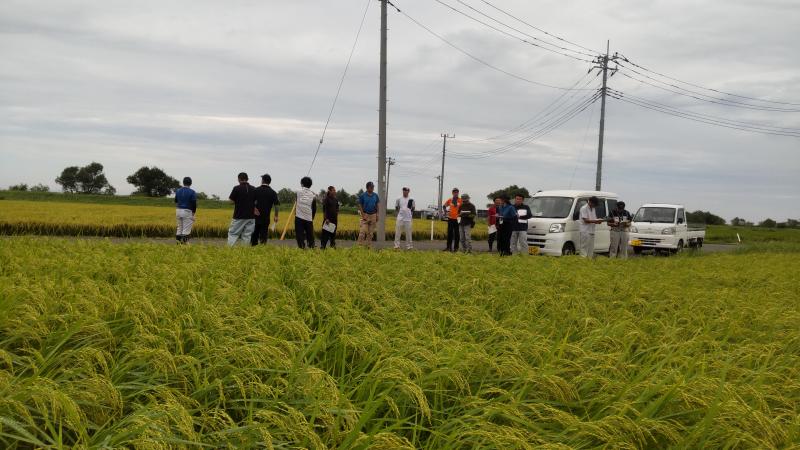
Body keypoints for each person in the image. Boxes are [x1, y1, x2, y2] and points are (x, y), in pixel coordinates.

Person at [227, 172, 257, 247]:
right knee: (247, 235)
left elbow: (231, 201)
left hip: (239, 216)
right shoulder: (254, 188)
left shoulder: (236, 188)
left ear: (239, 179)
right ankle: (244, 251)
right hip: (251, 216)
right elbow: (256, 201)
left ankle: (230, 250)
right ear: (247, 179)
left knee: (233, 233)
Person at [251, 173, 279, 246]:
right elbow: (276, 206)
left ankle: (253, 248)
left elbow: (250, 202)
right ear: (269, 182)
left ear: (262, 180)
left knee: (254, 234)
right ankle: (262, 248)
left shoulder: (256, 190)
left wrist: (254, 208)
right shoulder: (273, 192)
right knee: (264, 235)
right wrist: (276, 216)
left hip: (255, 217)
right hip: (266, 218)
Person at [295, 176, 317, 249]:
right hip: (308, 218)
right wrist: (312, 217)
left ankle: (301, 248)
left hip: (299, 217)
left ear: (302, 184)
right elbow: (314, 208)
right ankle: (311, 247)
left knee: (299, 234)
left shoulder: (298, 192)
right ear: (310, 185)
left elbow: (296, 200)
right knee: (310, 235)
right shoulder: (313, 195)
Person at [357, 181, 380, 248]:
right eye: (371, 187)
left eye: (373, 187)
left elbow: (377, 205)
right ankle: (360, 246)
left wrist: (377, 214)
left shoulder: (375, 195)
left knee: (370, 233)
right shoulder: (362, 195)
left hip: (373, 215)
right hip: (365, 215)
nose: (372, 188)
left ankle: (368, 246)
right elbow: (360, 205)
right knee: (362, 231)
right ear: (367, 187)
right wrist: (363, 214)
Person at [174, 176, 197, 245]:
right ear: (191, 183)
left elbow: (176, 200)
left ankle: (178, 245)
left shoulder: (178, 191)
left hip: (178, 210)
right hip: (187, 211)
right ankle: (184, 246)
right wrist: (193, 213)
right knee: (186, 230)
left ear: (183, 183)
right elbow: (194, 203)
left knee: (179, 228)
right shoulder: (192, 192)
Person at [443, 188, 462, 252]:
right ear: (452, 193)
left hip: (457, 219)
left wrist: (460, 214)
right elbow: (444, 206)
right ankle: (448, 247)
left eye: (457, 192)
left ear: (458, 193)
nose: (455, 193)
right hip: (450, 219)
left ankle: (456, 248)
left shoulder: (460, 200)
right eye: (454, 192)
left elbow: (463, 208)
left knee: (457, 234)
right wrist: (445, 211)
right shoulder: (450, 200)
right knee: (449, 233)